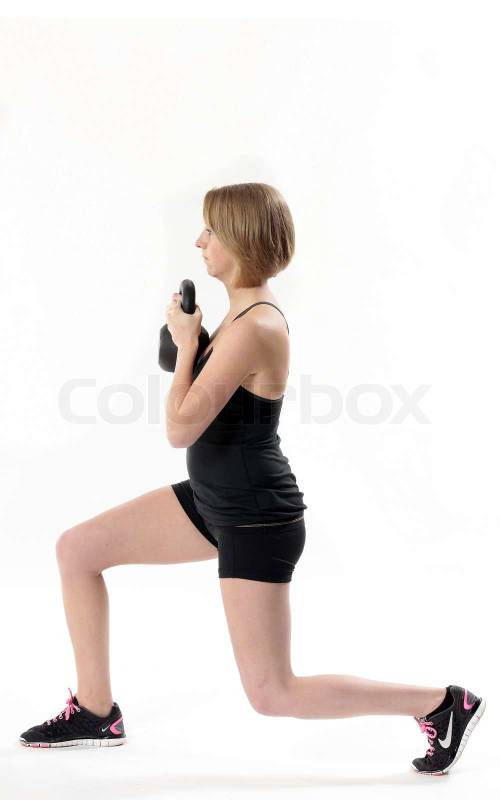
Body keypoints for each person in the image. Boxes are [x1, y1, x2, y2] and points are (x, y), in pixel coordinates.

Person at [19, 183, 485, 775]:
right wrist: (192, 343)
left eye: (210, 230)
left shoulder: (257, 326)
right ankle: (95, 712)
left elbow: (179, 429)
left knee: (272, 693)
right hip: (212, 500)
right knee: (78, 549)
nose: (199, 240)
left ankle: (441, 704)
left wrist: (186, 346)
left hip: (255, 516)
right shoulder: (240, 315)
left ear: (239, 241)